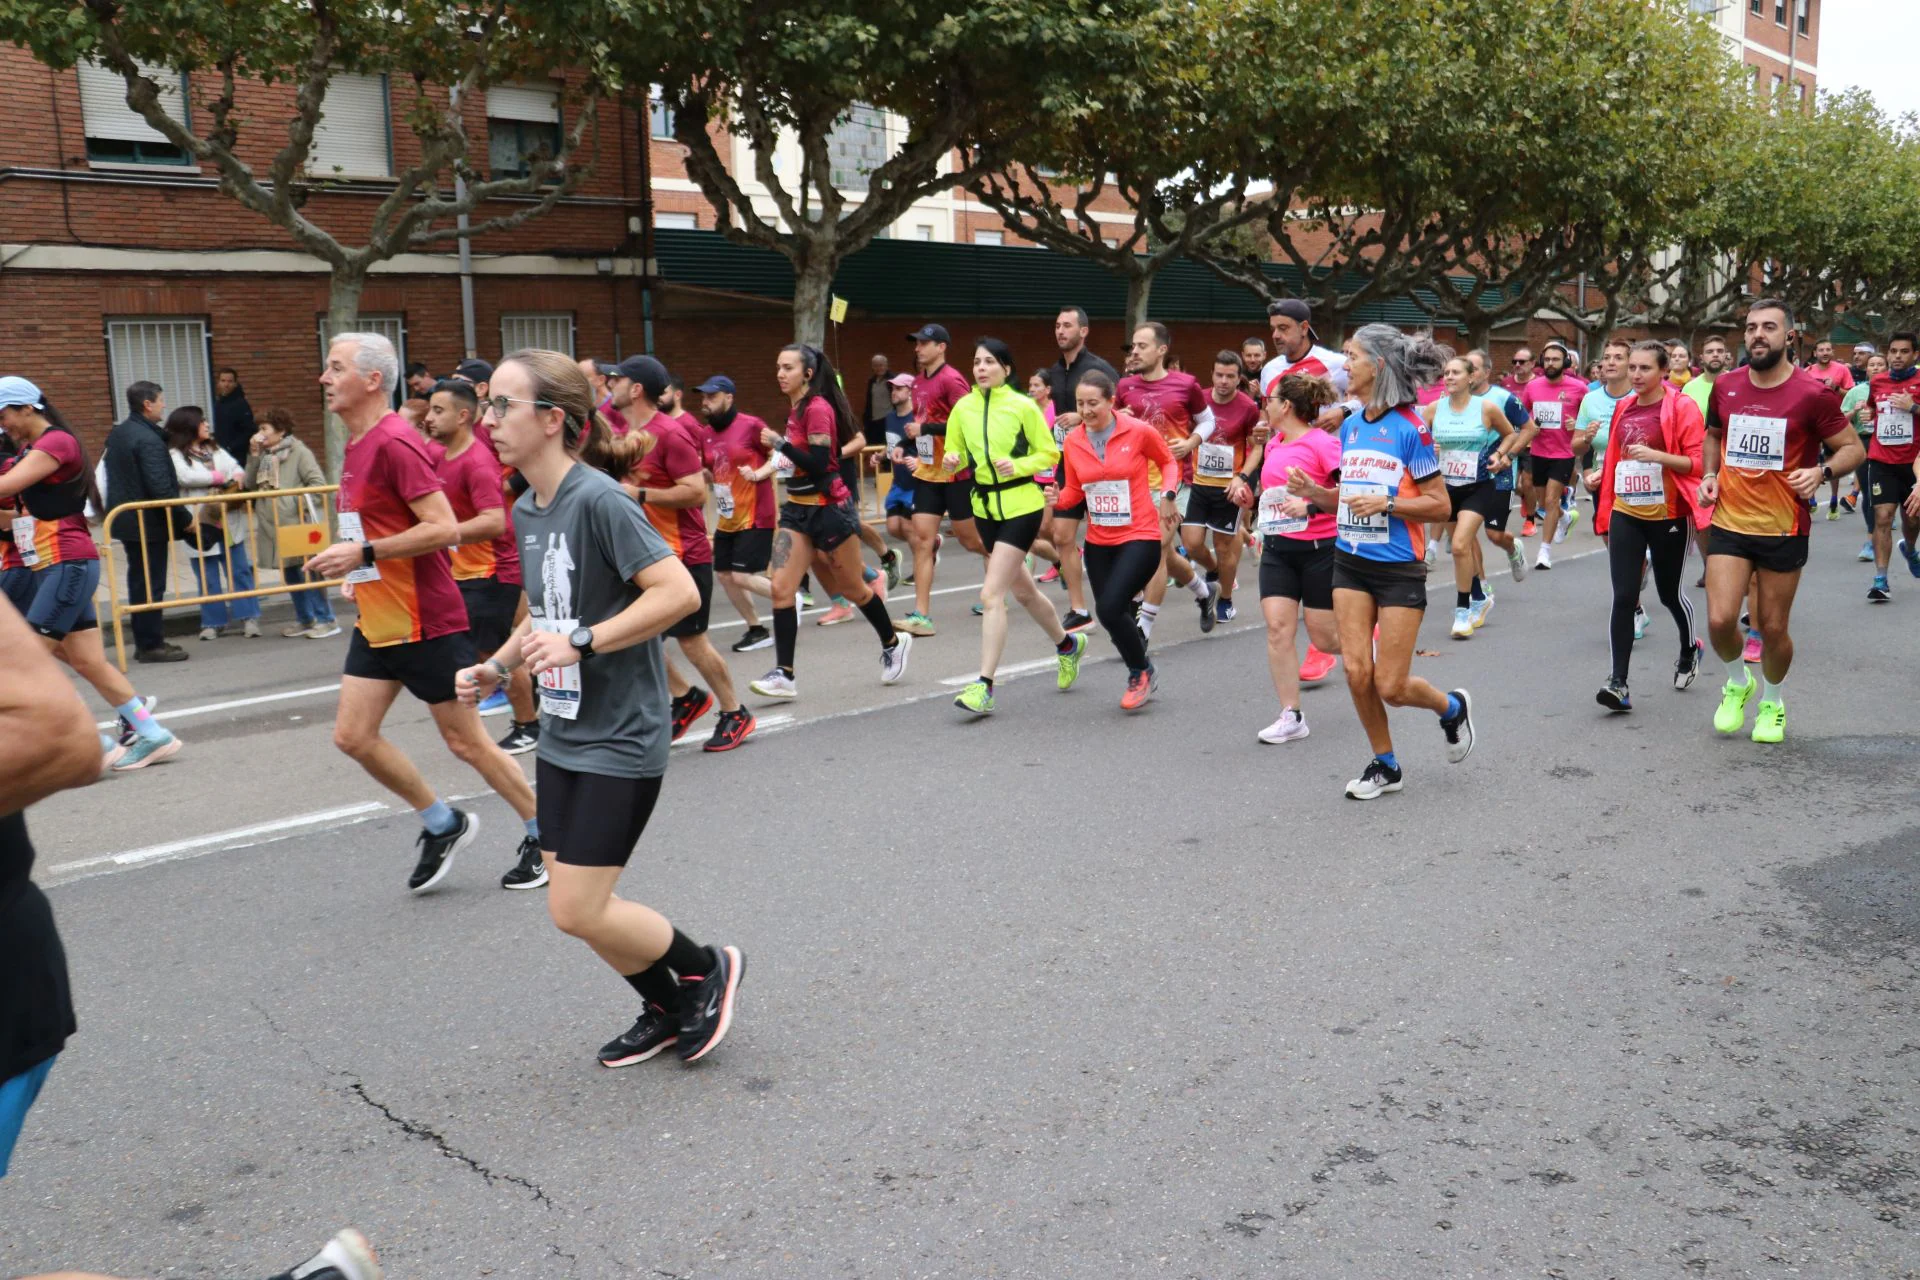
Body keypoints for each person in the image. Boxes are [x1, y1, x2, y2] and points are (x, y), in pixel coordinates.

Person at [451, 350, 745, 1072]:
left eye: (502, 406)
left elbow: (677, 594)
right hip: (563, 732)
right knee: (577, 908)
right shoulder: (527, 505)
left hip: (623, 734)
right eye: (488, 406)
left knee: (577, 908)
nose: (488, 419)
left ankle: (706, 967)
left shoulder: (601, 501)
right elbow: (547, 614)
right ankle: (667, 1007)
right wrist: (499, 664)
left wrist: (585, 642)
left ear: (552, 420)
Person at [301, 332, 542, 893]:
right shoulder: (359, 444)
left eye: (335, 368)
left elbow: (442, 528)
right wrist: (360, 574)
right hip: (379, 617)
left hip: (425, 619)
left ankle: (545, 833)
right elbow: (381, 527)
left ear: (372, 380)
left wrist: (362, 555)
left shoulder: (394, 443)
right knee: (353, 736)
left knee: (466, 744)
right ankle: (443, 822)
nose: (324, 377)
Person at [1320, 325, 1474, 799]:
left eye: (1352, 357)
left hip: (1397, 568)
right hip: (1350, 560)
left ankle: (1451, 708)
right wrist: (1315, 496)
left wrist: (1387, 506)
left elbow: (1440, 506)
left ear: (1378, 366)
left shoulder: (1412, 429)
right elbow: (1351, 497)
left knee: (1391, 684)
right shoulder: (1350, 425)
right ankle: (1385, 764)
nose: (1345, 366)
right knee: (1354, 670)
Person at [1700, 299, 1862, 743]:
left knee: (1772, 628)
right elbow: (1713, 434)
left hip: (1783, 526)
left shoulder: (1813, 393)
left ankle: (1772, 699)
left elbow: (1853, 448)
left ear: (1789, 336)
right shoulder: (1727, 385)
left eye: (1768, 327)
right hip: (1731, 521)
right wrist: (1710, 474)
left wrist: (1822, 472)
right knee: (1719, 620)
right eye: (1751, 326)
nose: (1757, 334)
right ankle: (1737, 682)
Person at [0, 379, 182, 770]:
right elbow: (20, 512)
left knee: (30, 662)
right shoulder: (32, 449)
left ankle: (91, 742)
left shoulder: (56, 442)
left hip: (67, 563)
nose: (3, 427)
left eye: (4, 416)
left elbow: (8, 485)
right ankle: (151, 734)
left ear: (26, 408)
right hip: (56, 564)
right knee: (88, 662)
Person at [746, 344, 912, 700]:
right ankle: (785, 674)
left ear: (807, 373)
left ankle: (893, 642)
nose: (780, 373)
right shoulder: (797, 408)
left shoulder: (818, 408)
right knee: (780, 588)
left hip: (829, 510)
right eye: (778, 366)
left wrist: (779, 444)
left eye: (787, 367)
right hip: (797, 509)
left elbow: (821, 462)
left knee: (853, 589)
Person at [608, 356, 756, 752]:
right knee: (636, 638)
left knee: (692, 642)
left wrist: (638, 494)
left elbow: (694, 491)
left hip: (683, 555)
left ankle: (735, 711)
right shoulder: (626, 434)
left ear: (636, 389)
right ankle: (687, 698)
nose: (610, 384)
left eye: (617, 379)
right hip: (645, 558)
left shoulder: (670, 434)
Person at [939, 339, 1086, 715]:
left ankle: (983, 685)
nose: (981, 368)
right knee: (1023, 593)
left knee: (992, 595)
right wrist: (952, 460)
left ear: (1006, 367)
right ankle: (1067, 645)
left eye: (990, 361)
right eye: (976, 362)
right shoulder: (963, 407)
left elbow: (1049, 453)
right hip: (985, 508)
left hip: (1022, 504)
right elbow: (953, 460)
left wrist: (1018, 466)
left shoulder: (1022, 406)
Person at [424, 379, 541, 764]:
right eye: (429, 409)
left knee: (498, 652)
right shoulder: (440, 457)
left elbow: (495, 523)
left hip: (493, 570)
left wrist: (447, 533)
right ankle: (539, 702)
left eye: (438, 410)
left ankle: (528, 725)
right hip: (462, 571)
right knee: (510, 643)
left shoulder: (477, 462)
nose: (429, 418)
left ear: (463, 416)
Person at [1046, 370, 1176, 710]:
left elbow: (1167, 462)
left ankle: (1139, 672)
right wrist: (1057, 499)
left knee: (1107, 607)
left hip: (1140, 534)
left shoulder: (1138, 431)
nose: (1086, 411)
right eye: (1080, 404)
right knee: (1111, 614)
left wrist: (1169, 495)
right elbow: (1076, 489)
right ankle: (1142, 666)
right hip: (1100, 540)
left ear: (1111, 401)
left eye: (1093, 403)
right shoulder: (1074, 441)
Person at [1226, 371, 1343, 742]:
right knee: (1278, 630)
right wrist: (1251, 500)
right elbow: (1272, 493)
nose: (1265, 405)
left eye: (1269, 400)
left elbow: (1348, 495)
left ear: (1286, 406)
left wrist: (1308, 506)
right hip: (1278, 549)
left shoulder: (1323, 444)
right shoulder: (1274, 444)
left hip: (1320, 551)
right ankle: (1291, 715)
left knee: (1325, 639)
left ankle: (1365, 642)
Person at [1591, 341, 1707, 711]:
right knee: (1624, 596)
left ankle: (1690, 647)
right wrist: (1599, 475)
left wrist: (1658, 456)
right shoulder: (1623, 407)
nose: (1636, 375)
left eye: (1645, 369)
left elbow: (1698, 464)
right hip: (1626, 511)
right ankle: (1618, 683)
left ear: (1663, 372)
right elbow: (1618, 455)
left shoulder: (1682, 407)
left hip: (1668, 515)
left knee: (1669, 593)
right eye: (1633, 368)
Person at [1117, 321, 1220, 638]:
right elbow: (1110, 424)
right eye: (1133, 346)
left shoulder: (1186, 384)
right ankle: (1204, 592)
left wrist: (1191, 442)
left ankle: (1142, 628)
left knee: (1156, 551)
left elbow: (1208, 421)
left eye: (1142, 346)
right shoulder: (1125, 386)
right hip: (1133, 483)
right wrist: (1120, 418)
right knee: (1168, 555)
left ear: (1161, 350)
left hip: (1173, 481)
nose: (1135, 351)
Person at [1421, 356, 1523, 638]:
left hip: (1479, 485)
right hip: (1446, 487)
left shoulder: (1486, 408)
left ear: (1470, 378)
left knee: (1461, 543)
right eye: (1446, 372)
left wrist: (1501, 455)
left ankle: (1462, 611)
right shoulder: (1433, 409)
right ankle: (1479, 596)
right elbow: (1417, 442)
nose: (1449, 377)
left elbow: (1510, 434)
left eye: (1455, 372)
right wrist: (1431, 449)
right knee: (1458, 549)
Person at [898, 323, 981, 636]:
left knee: (970, 539)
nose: (918, 348)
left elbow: (966, 423)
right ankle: (922, 616)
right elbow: (922, 423)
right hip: (929, 473)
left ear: (942, 346)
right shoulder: (918, 382)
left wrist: (926, 431)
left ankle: (1010, 558)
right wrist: (906, 446)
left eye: (924, 343)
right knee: (922, 540)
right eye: (917, 343)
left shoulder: (952, 379)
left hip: (956, 470)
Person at [101, 380, 189, 663]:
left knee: (140, 582)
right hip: (146, 524)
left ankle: (147, 641)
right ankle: (151, 645)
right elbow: (160, 489)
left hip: (128, 521)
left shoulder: (120, 433)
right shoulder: (148, 439)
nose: (164, 405)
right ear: (147, 404)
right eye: (161, 400)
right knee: (151, 584)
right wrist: (185, 520)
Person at [1038, 307, 1113, 633]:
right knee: (1060, 535)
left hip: (1102, 464)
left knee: (1110, 538)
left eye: (1067, 325)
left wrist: (1081, 418)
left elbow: (1120, 410)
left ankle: (1126, 600)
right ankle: (1080, 610)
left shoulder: (1099, 369)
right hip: (1068, 464)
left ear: (1084, 331)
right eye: (1056, 325)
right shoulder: (1054, 372)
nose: (1060, 330)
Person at [166, 405, 263, 641]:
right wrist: (218, 478)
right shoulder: (175, 454)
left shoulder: (215, 449)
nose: (207, 425)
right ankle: (212, 622)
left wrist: (238, 475)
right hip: (199, 521)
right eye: (202, 422)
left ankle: (248, 617)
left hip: (227, 520)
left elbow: (234, 467)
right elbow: (185, 477)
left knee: (239, 570)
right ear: (190, 426)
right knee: (207, 575)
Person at [697, 374, 777, 654]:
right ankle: (756, 629)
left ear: (729, 398)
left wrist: (759, 473)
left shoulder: (752, 425)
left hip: (756, 511)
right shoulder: (705, 433)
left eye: (712, 397)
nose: (705, 402)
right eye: (704, 397)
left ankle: (788, 597)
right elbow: (713, 470)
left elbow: (779, 455)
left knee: (742, 576)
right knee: (725, 575)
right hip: (727, 515)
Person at [246, 408, 341, 638]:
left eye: (264, 428)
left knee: (309, 571)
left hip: (297, 522)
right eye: (259, 429)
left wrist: (289, 501)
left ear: (281, 430)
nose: (260, 434)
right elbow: (249, 483)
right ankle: (305, 618)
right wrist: (254, 456)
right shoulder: (265, 455)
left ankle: (326, 619)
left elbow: (317, 484)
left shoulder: (299, 452)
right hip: (274, 524)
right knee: (290, 573)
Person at [1182, 351, 1261, 623]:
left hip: (1228, 488)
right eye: (1219, 375)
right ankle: (1214, 570)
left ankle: (1226, 599)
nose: (1223, 381)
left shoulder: (1248, 407)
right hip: (1198, 483)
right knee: (1191, 544)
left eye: (1230, 376)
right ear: (1212, 374)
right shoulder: (1199, 400)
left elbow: (1256, 448)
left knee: (1224, 546)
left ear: (1239, 379)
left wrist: (1242, 476)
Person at [1464, 349, 1536, 582]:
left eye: (1472, 369)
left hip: (1498, 475)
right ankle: (1480, 589)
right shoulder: (1451, 400)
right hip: (1464, 477)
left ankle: (1513, 549)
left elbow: (1529, 428)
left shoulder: (1503, 398)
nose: (1467, 374)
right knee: (1463, 537)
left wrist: (1510, 455)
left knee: (1494, 534)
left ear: (1486, 372)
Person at [1862, 330, 1920, 603]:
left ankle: (1909, 549)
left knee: (1912, 519)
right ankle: (1881, 580)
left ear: (1915, 355)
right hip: (1881, 459)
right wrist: (1868, 414)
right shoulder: (1878, 382)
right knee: (1883, 517)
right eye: (1893, 351)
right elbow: (1872, 409)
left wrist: (1914, 408)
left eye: (1904, 351)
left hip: (1914, 463)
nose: (1897, 356)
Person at [1518, 339, 1587, 564]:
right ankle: (1565, 518)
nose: (1550, 363)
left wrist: (1576, 423)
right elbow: (1522, 414)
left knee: (1550, 500)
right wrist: (1530, 424)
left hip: (1564, 452)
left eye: (1555, 359)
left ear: (1565, 361)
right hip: (1538, 450)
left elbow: (1589, 418)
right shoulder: (1533, 386)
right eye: (1547, 359)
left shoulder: (1579, 388)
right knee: (1542, 504)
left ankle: (1544, 551)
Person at [1258, 299, 1349, 421]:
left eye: (1283, 328)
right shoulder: (1269, 369)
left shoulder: (1336, 363)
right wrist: (1262, 430)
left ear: (1304, 328)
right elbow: (1265, 411)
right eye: (1273, 329)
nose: (1275, 335)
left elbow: (1370, 395)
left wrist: (1344, 411)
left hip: (1326, 440)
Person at [1840, 351, 1886, 545]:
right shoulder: (1856, 392)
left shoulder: (1893, 390)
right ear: (1866, 369)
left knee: (1886, 491)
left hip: (1887, 443)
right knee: (1869, 490)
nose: (1875, 368)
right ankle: (1870, 538)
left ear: (1887, 368)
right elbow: (1840, 421)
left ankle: (1886, 521)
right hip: (1864, 441)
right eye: (1872, 365)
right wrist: (1855, 410)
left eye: (1880, 364)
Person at [212, 366, 257, 463]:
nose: (226, 384)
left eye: (230, 381)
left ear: (235, 383)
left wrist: (231, 447)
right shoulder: (219, 403)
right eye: (223, 381)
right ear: (218, 383)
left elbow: (249, 430)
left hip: (237, 455)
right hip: (221, 453)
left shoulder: (240, 404)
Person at [864, 353, 894, 446]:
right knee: (874, 447)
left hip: (888, 419)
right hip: (874, 421)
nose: (878, 368)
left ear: (886, 365)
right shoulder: (871, 381)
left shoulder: (892, 380)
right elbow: (869, 402)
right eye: (876, 366)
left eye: (881, 365)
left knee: (888, 446)